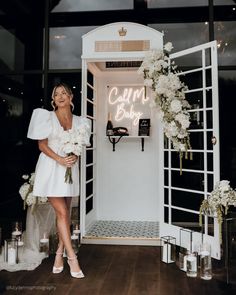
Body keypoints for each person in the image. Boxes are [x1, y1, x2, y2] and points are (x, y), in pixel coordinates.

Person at [27, 82, 91, 278]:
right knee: (62, 212)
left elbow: (79, 146)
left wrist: (74, 157)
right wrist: (60, 159)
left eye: (64, 93)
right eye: (57, 94)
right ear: (53, 100)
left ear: (71, 98)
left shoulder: (81, 122)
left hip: (70, 170)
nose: (61, 96)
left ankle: (58, 255)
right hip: (51, 168)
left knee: (64, 215)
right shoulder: (46, 117)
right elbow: (42, 145)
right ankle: (73, 258)